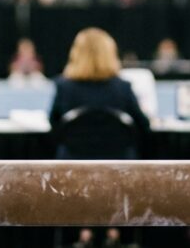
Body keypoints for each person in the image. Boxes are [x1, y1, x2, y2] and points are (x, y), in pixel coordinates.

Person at [49, 27, 151, 248]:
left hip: (73, 169)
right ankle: (114, 230)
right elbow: (144, 127)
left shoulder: (64, 87)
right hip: (118, 168)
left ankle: (84, 231)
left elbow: (54, 128)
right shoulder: (122, 88)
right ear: (110, 53)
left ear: (76, 54)